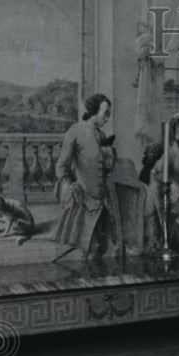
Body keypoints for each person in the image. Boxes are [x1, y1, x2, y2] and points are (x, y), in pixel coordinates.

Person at [54, 93, 118, 259]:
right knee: (90, 249)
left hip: (102, 202)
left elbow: (104, 168)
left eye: (109, 114)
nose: (107, 118)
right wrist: (68, 190)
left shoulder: (101, 135)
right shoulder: (75, 131)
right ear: (94, 111)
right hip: (84, 202)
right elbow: (61, 166)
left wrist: (110, 160)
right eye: (106, 114)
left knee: (103, 249)